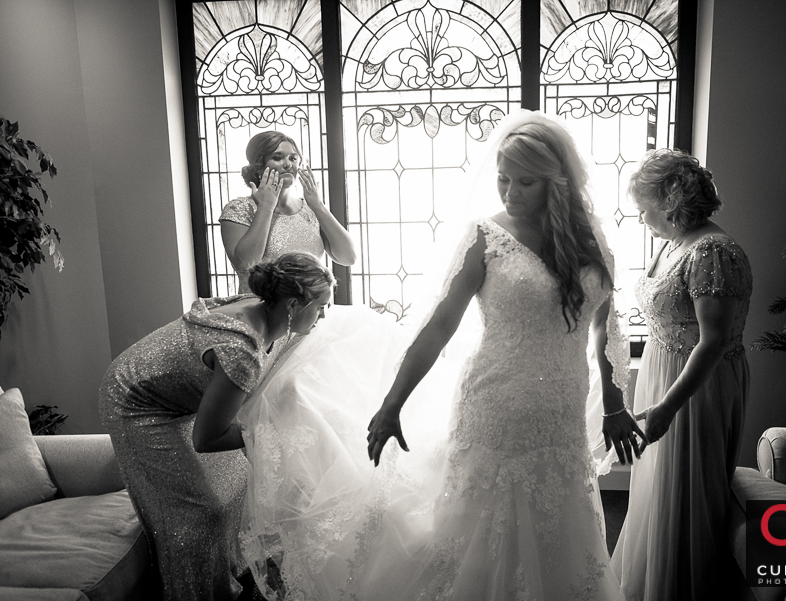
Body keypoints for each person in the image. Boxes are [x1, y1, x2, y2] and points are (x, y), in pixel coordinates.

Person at [355, 111, 642, 600]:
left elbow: (604, 326)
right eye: (503, 179)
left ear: (557, 182)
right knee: (483, 534)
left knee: (558, 529)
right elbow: (440, 325)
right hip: (494, 402)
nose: (509, 191)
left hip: (562, 411)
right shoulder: (484, 236)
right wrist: (392, 402)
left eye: (524, 181)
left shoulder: (590, 239)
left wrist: (613, 405)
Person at [98, 252, 335, 601]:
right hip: (135, 404)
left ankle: (231, 581)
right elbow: (206, 439)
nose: (324, 316)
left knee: (238, 482)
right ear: (292, 305)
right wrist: (274, 425)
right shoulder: (241, 351)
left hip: (171, 392)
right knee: (197, 517)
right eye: (321, 307)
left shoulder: (260, 303)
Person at [609, 149, 752, 601]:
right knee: (657, 492)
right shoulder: (676, 243)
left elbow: (712, 342)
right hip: (662, 372)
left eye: (643, 207)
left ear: (669, 199)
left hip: (696, 389)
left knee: (687, 495)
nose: (641, 217)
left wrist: (669, 407)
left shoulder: (714, 251)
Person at [220, 131, 355, 294]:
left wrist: (318, 205)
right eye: (277, 157)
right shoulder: (239, 209)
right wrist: (266, 207)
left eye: (293, 158)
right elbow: (246, 266)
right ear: (258, 166)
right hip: (260, 312)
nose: (288, 164)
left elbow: (348, 257)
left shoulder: (310, 209)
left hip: (308, 312)